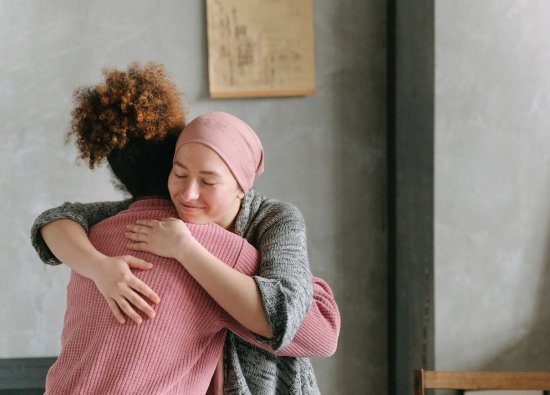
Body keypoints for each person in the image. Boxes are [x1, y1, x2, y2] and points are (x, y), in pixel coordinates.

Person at [32, 64, 340, 394]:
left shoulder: (272, 220)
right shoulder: (145, 223)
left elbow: (299, 323)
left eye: (208, 181)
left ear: (241, 187)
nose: (189, 193)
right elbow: (57, 218)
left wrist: (186, 249)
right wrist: (101, 268)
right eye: (179, 174)